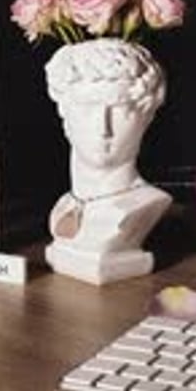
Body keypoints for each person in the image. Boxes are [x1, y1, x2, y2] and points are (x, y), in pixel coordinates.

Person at [44, 37, 172, 284]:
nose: (103, 128)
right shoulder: (66, 204)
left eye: (120, 110)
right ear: (64, 112)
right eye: (87, 108)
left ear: (147, 117)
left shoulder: (144, 204)